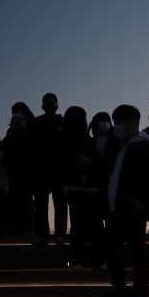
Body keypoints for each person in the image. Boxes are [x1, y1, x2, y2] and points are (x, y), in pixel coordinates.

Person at [99, 104, 149, 297]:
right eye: (115, 122)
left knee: (136, 249)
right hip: (115, 208)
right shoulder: (120, 146)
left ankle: (139, 290)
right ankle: (119, 287)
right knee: (111, 247)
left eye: (120, 122)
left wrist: (143, 200)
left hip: (132, 207)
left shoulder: (145, 145)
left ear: (133, 123)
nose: (116, 126)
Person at [60, 105, 105, 270]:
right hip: (85, 189)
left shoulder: (66, 139)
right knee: (93, 227)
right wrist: (84, 176)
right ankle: (95, 260)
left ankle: (79, 261)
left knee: (81, 228)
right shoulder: (85, 141)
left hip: (78, 189)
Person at [33, 92, 67, 245]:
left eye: (52, 102)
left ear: (57, 105)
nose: (49, 104)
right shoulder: (36, 123)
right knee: (40, 205)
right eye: (46, 102)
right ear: (42, 106)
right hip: (40, 170)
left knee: (60, 204)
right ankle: (42, 235)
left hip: (59, 170)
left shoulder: (63, 121)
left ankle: (60, 235)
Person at [0, 101, 37, 235]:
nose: (15, 115)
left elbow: (33, 145)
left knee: (27, 198)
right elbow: (3, 146)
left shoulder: (33, 124)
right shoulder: (11, 130)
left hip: (27, 168)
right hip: (12, 168)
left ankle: (29, 227)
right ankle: (18, 228)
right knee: (14, 198)